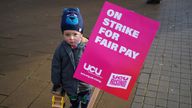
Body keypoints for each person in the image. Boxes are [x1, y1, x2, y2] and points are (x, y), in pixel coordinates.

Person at [51, 8, 92, 108]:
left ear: (81, 33)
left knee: (85, 101)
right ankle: (74, 105)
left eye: (75, 34)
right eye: (67, 34)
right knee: (73, 101)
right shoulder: (60, 49)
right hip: (69, 84)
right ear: (63, 34)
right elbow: (56, 67)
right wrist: (56, 83)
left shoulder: (88, 47)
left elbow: (99, 60)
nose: (71, 38)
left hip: (85, 84)